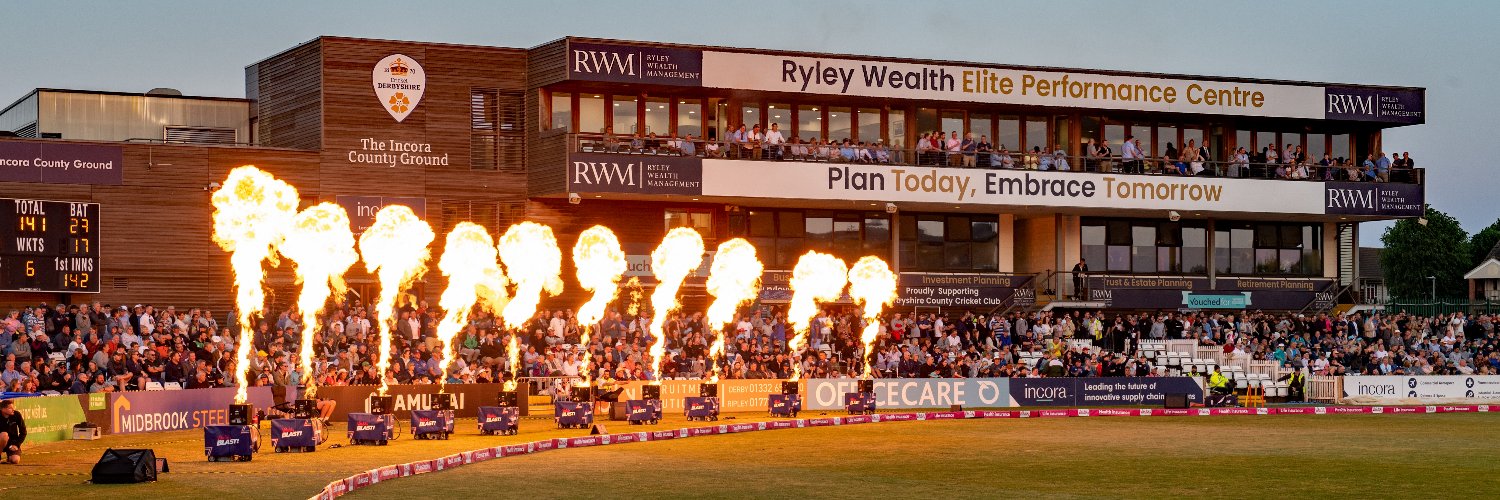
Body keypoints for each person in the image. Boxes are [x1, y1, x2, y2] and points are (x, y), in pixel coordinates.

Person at [0, 399, 23, 464]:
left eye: (13, 407)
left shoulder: (17, 415)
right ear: (3, 409)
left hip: (12, 443)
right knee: (4, 435)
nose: (13, 410)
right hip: (1, 441)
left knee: (15, 460)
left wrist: (17, 445)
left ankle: (9, 457)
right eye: (10, 408)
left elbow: (23, 432)